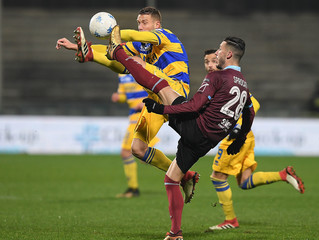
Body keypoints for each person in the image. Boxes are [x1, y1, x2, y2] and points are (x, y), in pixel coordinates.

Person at [107, 26, 255, 240]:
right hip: (207, 143)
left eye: (220, 51)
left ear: (229, 54)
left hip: (195, 127)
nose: (217, 54)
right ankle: (175, 234)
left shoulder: (217, 77)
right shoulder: (244, 87)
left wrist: (161, 109)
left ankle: (118, 52)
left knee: (161, 86)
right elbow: (249, 113)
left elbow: (194, 106)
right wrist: (239, 139)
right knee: (171, 178)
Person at [56, 7, 199, 203]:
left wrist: (114, 33)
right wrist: (84, 50)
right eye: (138, 22)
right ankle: (185, 176)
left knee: (134, 62)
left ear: (157, 25)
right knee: (137, 149)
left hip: (174, 89)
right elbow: (117, 60)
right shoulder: (141, 46)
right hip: (155, 99)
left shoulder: (166, 36)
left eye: (144, 23)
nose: (140, 27)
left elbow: (128, 39)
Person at [202, 50, 305, 231]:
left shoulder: (225, 80)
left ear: (220, 61)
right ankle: (283, 174)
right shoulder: (221, 80)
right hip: (246, 137)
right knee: (244, 182)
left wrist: (237, 127)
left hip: (235, 139)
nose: (209, 65)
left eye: (213, 61)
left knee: (218, 177)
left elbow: (254, 103)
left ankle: (230, 220)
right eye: (206, 62)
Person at [111, 74, 159, 198]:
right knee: (141, 155)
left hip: (143, 114)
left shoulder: (140, 66)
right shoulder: (121, 73)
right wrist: (119, 97)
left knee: (126, 152)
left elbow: (155, 87)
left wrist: (147, 103)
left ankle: (133, 189)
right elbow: (125, 96)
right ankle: (181, 175)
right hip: (133, 115)